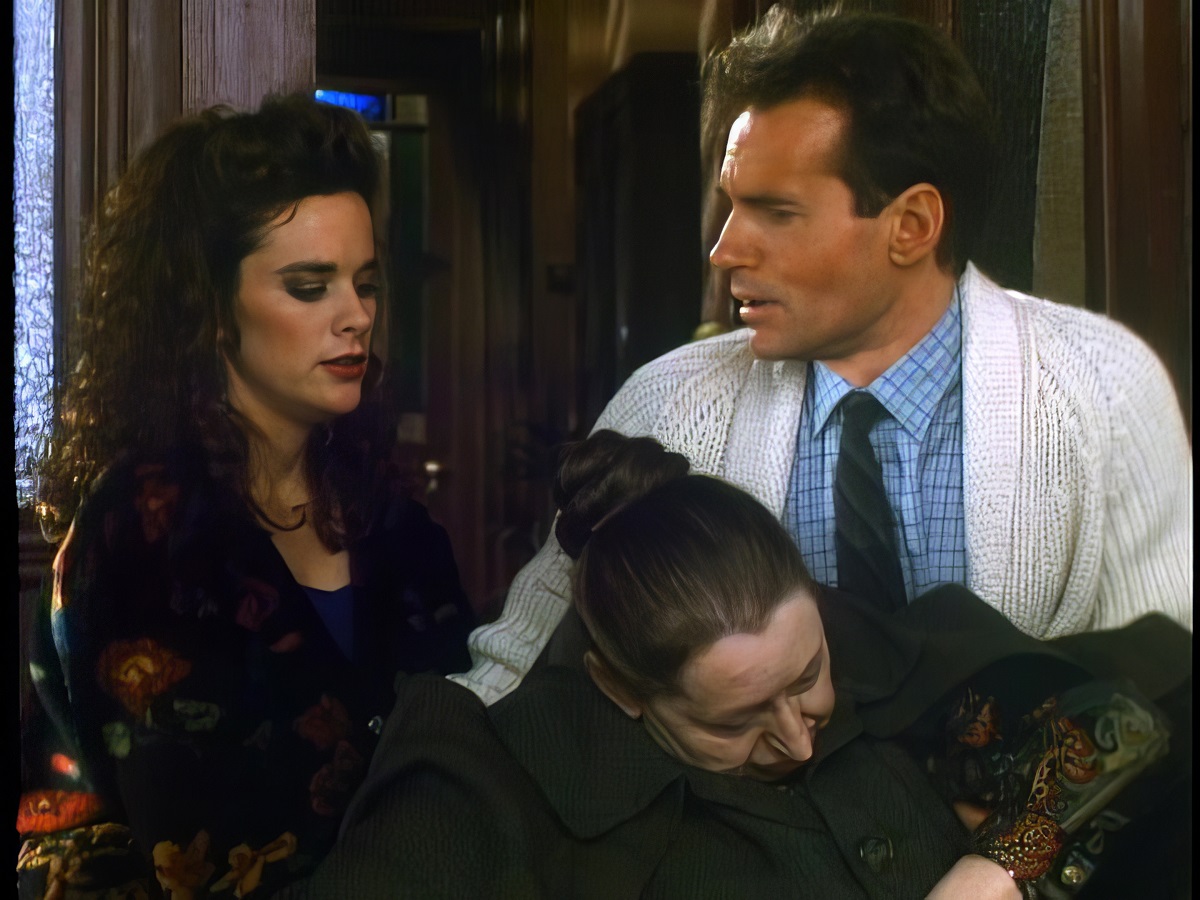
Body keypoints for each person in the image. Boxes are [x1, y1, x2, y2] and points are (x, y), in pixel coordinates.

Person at [449, 6, 1192, 706]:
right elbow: (515, 672)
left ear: (912, 225)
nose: (724, 250)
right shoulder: (667, 403)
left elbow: (1167, 688)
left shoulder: (1104, 384)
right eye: (731, 205)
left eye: (776, 212)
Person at [274, 431, 1190, 898]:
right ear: (620, 689)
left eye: (806, 678)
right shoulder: (487, 782)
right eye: (733, 721)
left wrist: (993, 867)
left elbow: (1126, 726)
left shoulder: (871, 661)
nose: (797, 738)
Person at [17, 93, 476, 899]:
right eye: (310, 286)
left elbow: (472, 757)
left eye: (365, 283)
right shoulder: (143, 530)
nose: (356, 317)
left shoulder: (391, 518)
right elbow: (205, 848)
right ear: (213, 312)